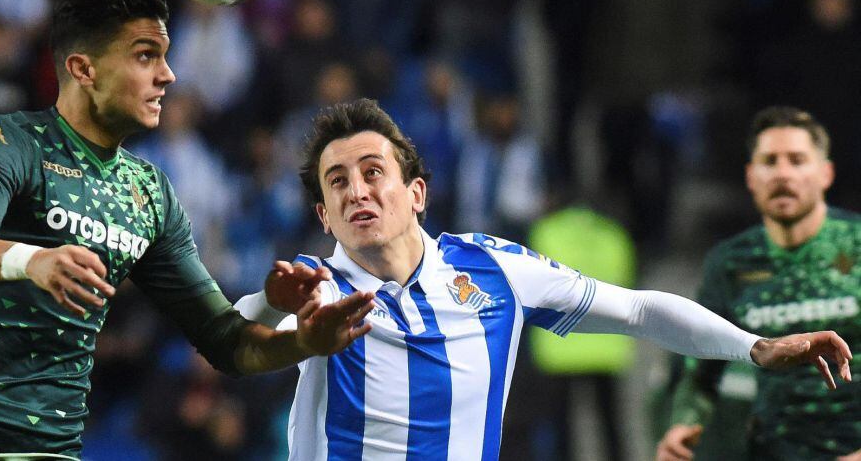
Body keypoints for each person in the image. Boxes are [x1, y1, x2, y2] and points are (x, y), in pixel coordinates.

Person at [0, 0, 375, 460]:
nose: (167, 75)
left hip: (47, 448)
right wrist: (32, 261)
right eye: (145, 56)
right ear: (84, 69)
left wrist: (299, 337)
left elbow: (226, 341)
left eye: (165, 57)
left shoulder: (149, 193)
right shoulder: (14, 141)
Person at [234, 98, 853, 460]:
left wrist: (755, 346)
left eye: (373, 171)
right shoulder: (317, 291)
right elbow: (231, 341)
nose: (356, 190)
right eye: (336, 182)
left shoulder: (492, 268)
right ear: (322, 214)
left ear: (417, 192)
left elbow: (638, 310)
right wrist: (266, 301)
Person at [656, 107, 861, 461]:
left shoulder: (856, 243)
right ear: (751, 177)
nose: (782, 174)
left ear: (825, 173)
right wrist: (682, 425)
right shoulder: (731, 262)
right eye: (770, 161)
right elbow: (702, 367)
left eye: (796, 160)